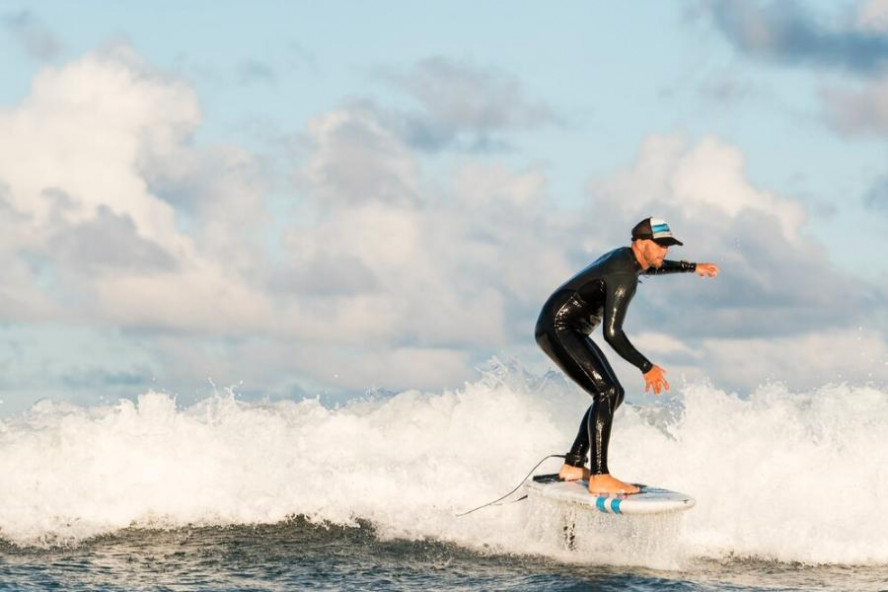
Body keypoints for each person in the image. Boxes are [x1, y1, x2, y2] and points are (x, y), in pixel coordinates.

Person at [535, 217, 720, 494]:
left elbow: (653, 267)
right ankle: (599, 476)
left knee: (613, 393)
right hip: (559, 327)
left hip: (565, 327)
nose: (664, 251)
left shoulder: (627, 258)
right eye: (659, 245)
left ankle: (574, 464)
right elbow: (612, 333)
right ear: (641, 242)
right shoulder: (623, 276)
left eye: (667, 245)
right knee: (607, 392)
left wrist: (692, 267)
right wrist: (646, 366)